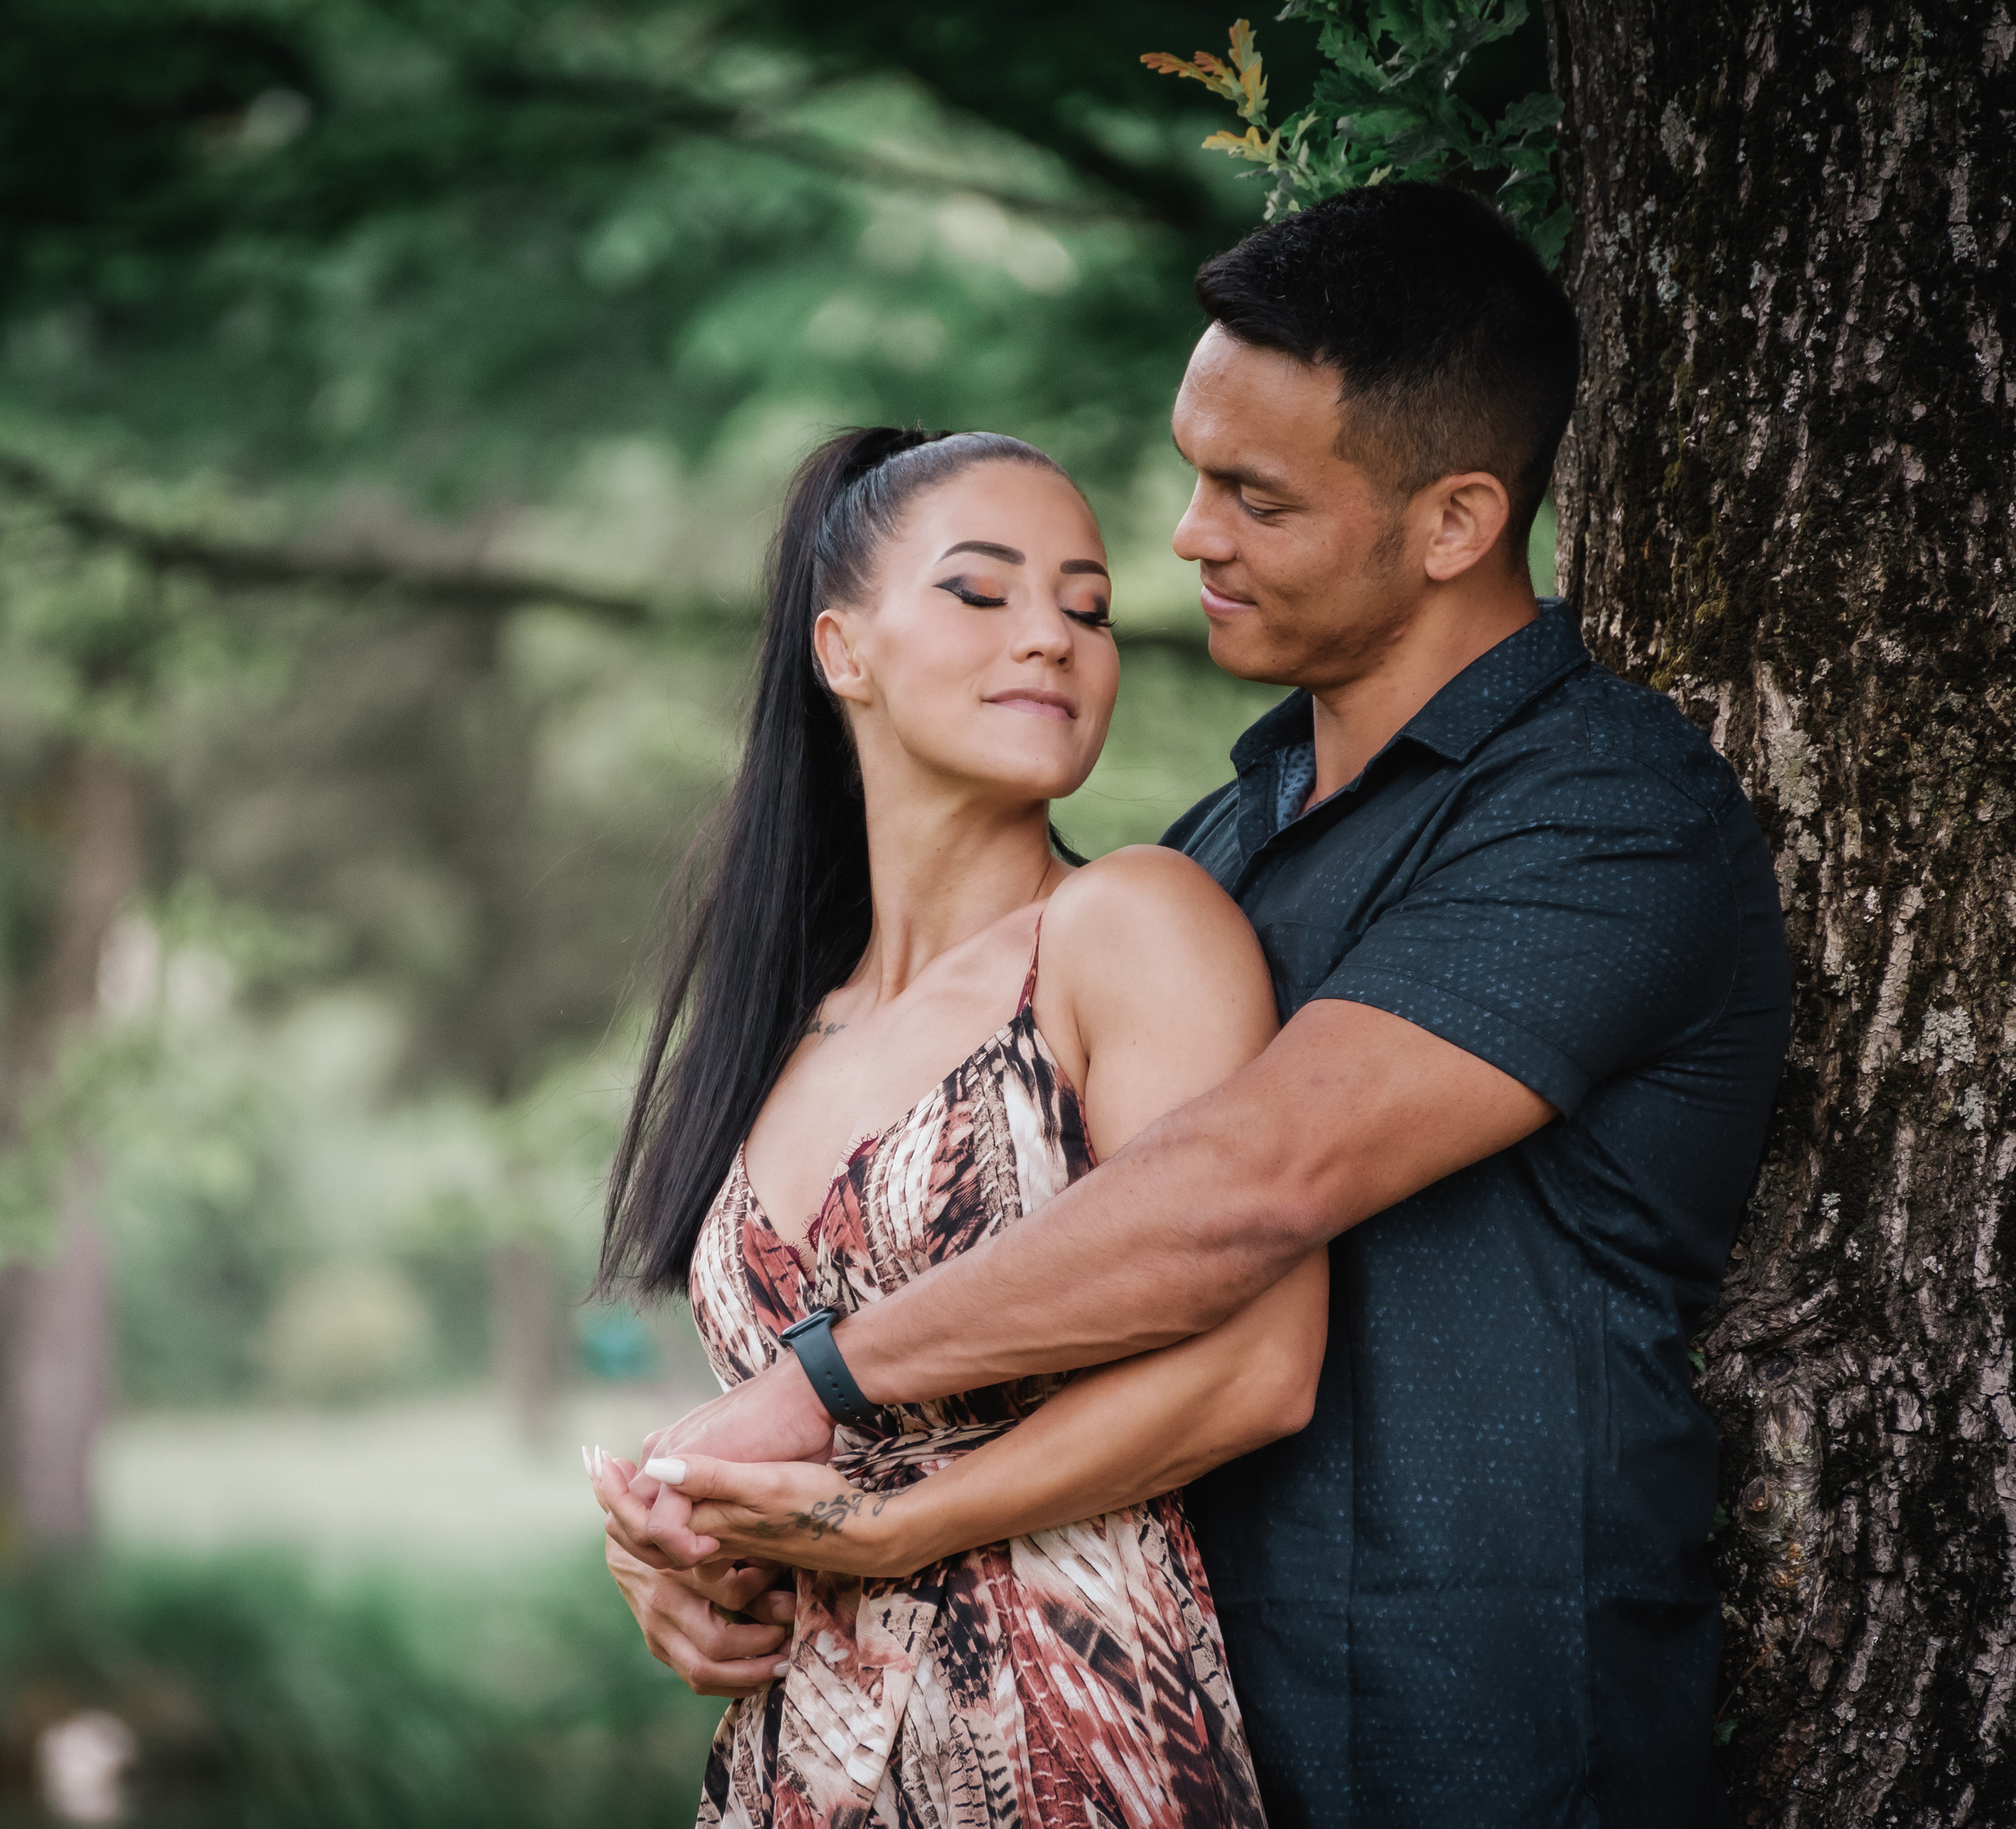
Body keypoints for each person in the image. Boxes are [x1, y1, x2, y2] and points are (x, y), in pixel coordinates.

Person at [606, 184, 1793, 1827]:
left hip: (1472, 1744)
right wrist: (697, 1534)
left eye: (1256, 496)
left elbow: (1248, 1186)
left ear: (1454, 523)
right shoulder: (1221, 847)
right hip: (1158, 1718)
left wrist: (817, 1389)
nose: (1188, 537)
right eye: (1194, 473)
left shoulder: (1603, 812)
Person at [587, 425, 1328, 1827]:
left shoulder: (1130, 927)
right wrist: (674, 1546)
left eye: (1089, 610)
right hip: (797, 1770)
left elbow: (1258, 1368)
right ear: (843, 651)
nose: (1051, 636)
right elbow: (786, 1437)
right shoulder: (784, 1024)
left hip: (1068, 1743)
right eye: (982, 592)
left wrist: (890, 1529)